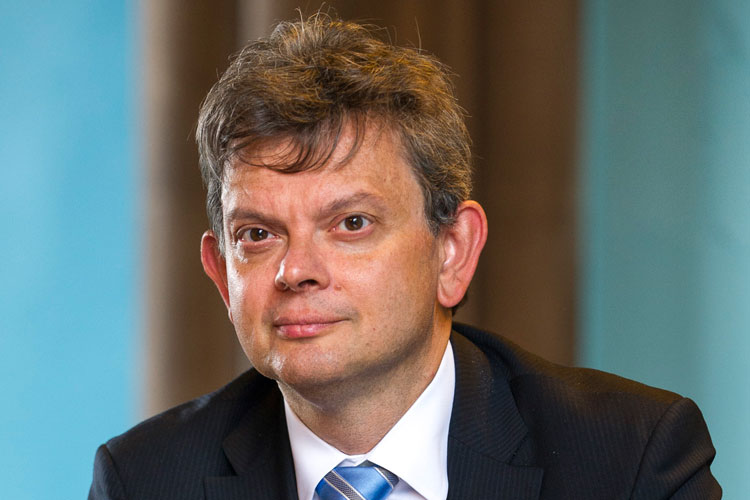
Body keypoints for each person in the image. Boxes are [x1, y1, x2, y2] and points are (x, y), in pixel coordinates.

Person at [89, 14, 720, 500]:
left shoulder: (631, 460)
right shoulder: (145, 479)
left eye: (351, 224)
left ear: (453, 252)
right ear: (222, 277)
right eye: (257, 235)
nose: (296, 270)